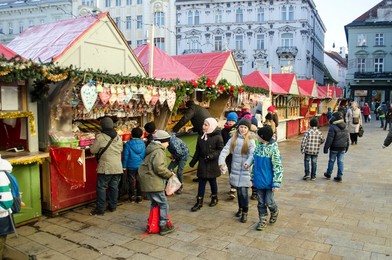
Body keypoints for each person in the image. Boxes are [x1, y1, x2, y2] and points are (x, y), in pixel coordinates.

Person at [138, 130, 175, 236]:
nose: (168, 144)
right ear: (162, 141)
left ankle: (153, 223)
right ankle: (163, 225)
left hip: (148, 182)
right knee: (163, 203)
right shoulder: (159, 151)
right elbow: (159, 168)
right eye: (167, 142)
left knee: (155, 203)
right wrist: (170, 174)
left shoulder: (152, 149)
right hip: (154, 183)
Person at [219, 118, 256, 223]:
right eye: (241, 127)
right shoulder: (233, 138)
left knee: (244, 192)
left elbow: (252, 154)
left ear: (248, 129)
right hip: (235, 169)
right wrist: (221, 161)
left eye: (245, 127)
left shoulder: (251, 139)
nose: (243, 129)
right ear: (238, 127)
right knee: (239, 192)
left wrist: (248, 163)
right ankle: (240, 208)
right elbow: (225, 150)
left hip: (245, 170)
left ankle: (245, 211)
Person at [252, 125, 283, 231]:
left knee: (269, 201)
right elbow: (255, 165)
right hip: (259, 181)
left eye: (258, 136)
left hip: (270, 182)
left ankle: (275, 211)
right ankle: (263, 220)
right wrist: (252, 178)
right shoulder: (258, 148)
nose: (257, 137)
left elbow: (278, 167)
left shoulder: (274, 150)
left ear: (263, 137)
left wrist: (276, 183)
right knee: (260, 202)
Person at [90, 117, 123, 216]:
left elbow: (93, 150)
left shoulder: (100, 137)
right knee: (114, 187)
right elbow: (120, 149)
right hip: (117, 166)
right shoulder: (118, 137)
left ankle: (100, 209)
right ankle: (113, 206)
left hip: (106, 166)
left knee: (101, 187)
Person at [189, 118, 224, 211]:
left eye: (206, 125)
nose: (203, 126)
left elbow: (220, 150)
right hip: (203, 164)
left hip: (212, 164)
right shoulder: (201, 136)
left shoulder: (217, 137)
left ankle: (214, 197)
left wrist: (212, 156)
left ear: (211, 126)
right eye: (203, 124)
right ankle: (199, 201)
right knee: (201, 183)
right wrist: (193, 162)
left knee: (213, 182)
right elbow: (198, 150)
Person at [323, 112, 349, 182]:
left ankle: (328, 173)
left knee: (331, 161)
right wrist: (347, 146)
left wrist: (326, 148)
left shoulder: (333, 127)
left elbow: (330, 139)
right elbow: (347, 138)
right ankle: (339, 176)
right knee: (340, 162)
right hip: (343, 147)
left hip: (334, 147)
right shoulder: (345, 126)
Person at [122, 127, 145, 203]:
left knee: (131, 181)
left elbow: (125, 156)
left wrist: (124, 166)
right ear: (141, 135)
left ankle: (132, 196)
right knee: (139, 181)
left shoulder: (128, 144)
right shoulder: (143, 143)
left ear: (131, 135)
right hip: (140, 165)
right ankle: (139, 196)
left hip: (131, 166)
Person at [220, 112, 238, 199]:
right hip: (228, 155)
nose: (230, 123)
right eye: (229, 120)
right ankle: (233, 188)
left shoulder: (237, 130)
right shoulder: (223, 131)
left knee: (236, 171)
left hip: (236, 155)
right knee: (231, 171)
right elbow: (222, 142)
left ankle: (236, 187)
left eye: (232, 121)